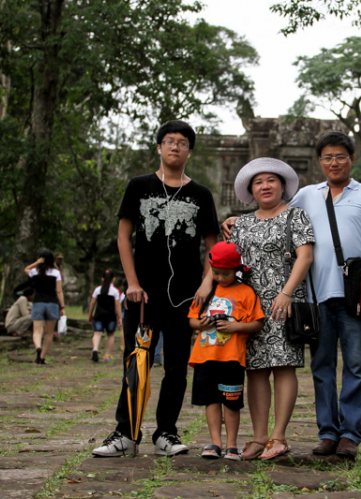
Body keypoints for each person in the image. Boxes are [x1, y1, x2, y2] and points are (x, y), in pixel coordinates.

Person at [222, 132, 361, 460]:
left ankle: (350, 434)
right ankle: (328, 432)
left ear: (351, 159)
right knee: (322, 365)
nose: (334, 163)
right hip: (316, 295)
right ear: (319, 162)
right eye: (327, 157)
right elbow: (273, 213)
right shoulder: (306, 195)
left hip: (355, 293)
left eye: (340, 156)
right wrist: (234, 219)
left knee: (357, 364)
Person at [92, 120, 220, 457]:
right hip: (143, 295)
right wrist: (131, 283)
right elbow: (123, 236)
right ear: (159, 147)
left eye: (182, 143)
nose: (175, 147)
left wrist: (206, 285)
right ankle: (125, 433)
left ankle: (166, 432)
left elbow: (213, 246)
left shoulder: (201, 194)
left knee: (177, 366)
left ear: (189, 151)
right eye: (168, 141)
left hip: (185, 296)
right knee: (137, 361)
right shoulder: (139, 186)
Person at [229, 157, 315, 460]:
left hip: (284, 302)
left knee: (283, 365)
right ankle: (258, 436)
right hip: (250, 307)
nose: (265, 186)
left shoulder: (296, 216)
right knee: (255, 369)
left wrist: (286, 293)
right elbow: (231, 263)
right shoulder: (242, 223)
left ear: (282, 185)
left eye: (271, 180)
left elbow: (305, 257)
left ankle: (279, 436)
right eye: (258, 182)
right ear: (251, 189)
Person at [188, 241, 265, 460]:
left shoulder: (246, 292)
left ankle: (232, 444)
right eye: (216, 273)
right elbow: (192, 320)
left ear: (237, 270)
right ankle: (215, 443)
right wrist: (201, 324)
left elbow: (258, 323)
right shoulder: (206, 291)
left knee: (231, 401)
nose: (220, 278)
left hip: (231, 357)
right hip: (205, 356)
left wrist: (235, 327)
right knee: (210, 400)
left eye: (226, 273)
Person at [24, 251, 66, 365]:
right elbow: (59, 291)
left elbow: (26, 269)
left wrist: (36, 263)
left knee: (37, 331)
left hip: (38, 303)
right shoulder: (56, 273)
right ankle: (42, 357)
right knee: (49, 333)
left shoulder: (35, 271)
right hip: (52, 303)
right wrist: (62, 306)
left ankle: (38, 347)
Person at [88, 270, 123, 362]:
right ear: (113, 279)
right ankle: (107, 355)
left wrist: (90, 314)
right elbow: (117, 305)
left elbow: (92, 303)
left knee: (97, 333)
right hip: (110, 316)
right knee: (110, 334)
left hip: (99, 315)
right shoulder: (115, 291)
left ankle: (95, 348)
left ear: (102, 279)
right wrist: (119, 317)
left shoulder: (97, 289)